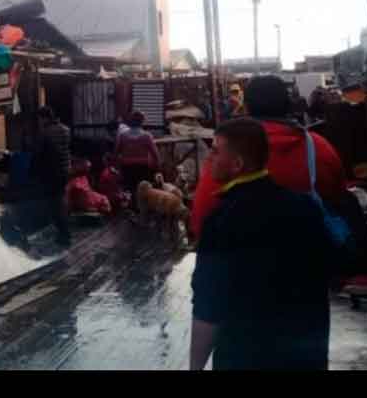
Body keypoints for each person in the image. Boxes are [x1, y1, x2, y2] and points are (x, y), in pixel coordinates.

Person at [190, 118, 332, 370]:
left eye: (215, 151)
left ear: (237, 164)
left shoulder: (221, 222)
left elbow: (208, 307)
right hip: (305, 355)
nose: (209, 158)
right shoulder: (305, 208)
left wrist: (195, 367)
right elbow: (324, 278)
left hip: (246, 355)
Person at [190, 75, 346, 241]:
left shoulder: (227, 152)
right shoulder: (317, 146)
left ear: (247, 107)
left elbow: (200, 219)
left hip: (244, 261)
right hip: (314, 259)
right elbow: (340, 200)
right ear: (289, 105)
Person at [34, 106, 72, 246]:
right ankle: (63, 231)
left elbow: (39, 154)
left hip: (52, 173)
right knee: (60, 200)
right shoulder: (66, 130)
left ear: (43, 118)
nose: (38, 121)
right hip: (65, 170)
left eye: (39, 118)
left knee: (54, 204)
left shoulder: (45, 133)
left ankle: (64, 234)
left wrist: (33, 171)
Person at [114, 111, 162, 196]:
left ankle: (130, 206)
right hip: (143, 168)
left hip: (127, 168)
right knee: (143, 190)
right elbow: (155, 154)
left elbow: (117, 152)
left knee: (129, 189)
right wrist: (158, 168)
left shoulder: (123, 136)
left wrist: (118, 166)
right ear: (142, 122)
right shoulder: (147, 136)